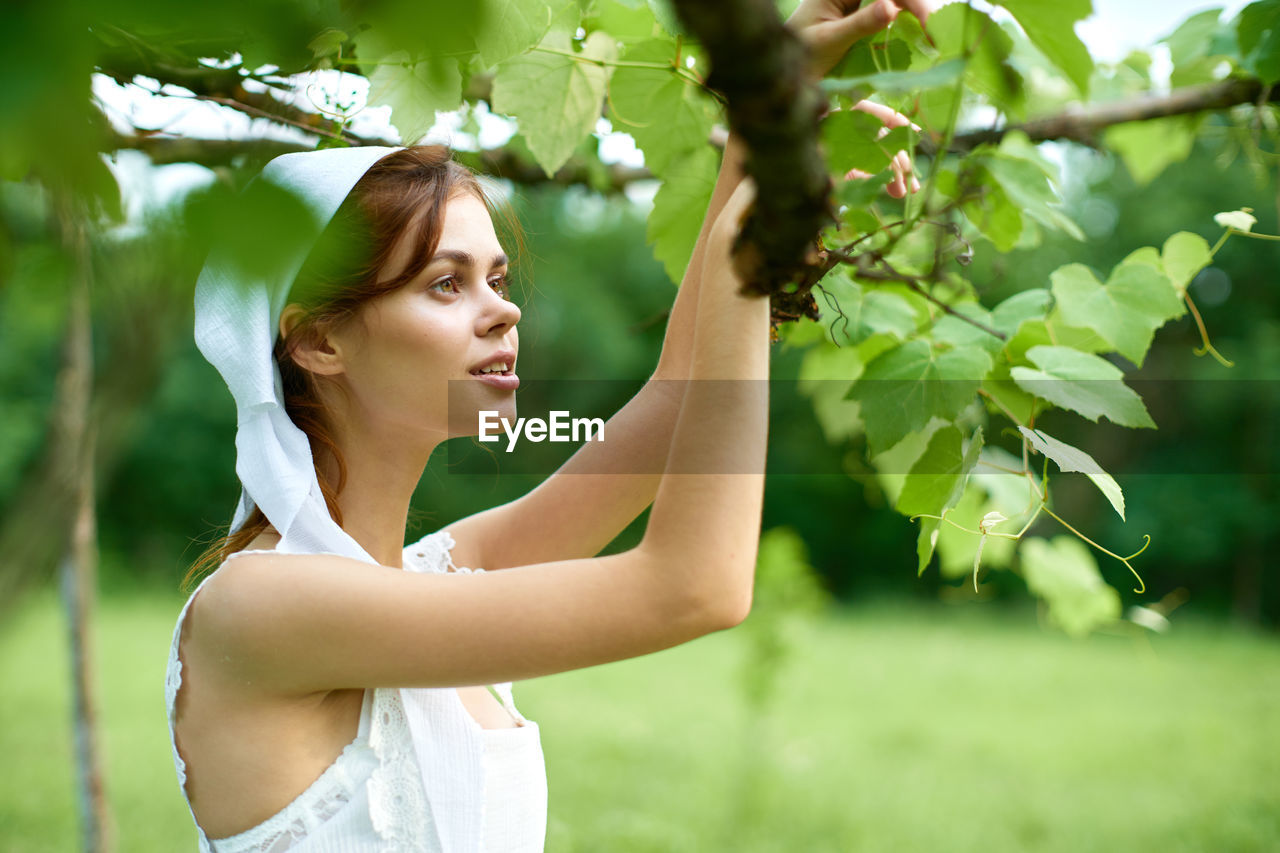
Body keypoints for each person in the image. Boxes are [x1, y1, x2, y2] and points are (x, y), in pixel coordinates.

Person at [164, 1, 930, 850]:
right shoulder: (262, 605)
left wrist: (767, 104)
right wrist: (756, 237)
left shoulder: (450, 572)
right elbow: (694, 586)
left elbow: (679, 396)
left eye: (496, 277)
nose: (504, 310)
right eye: (446, 284)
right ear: (318, 339)